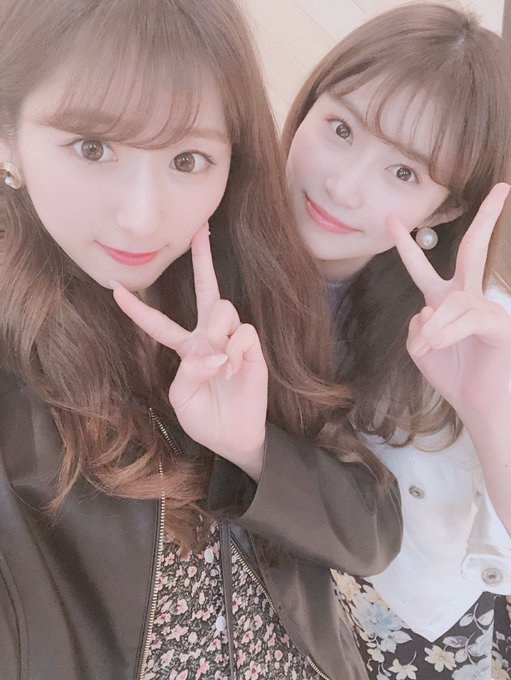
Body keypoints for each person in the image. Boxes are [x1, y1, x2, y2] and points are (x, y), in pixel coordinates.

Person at [0, 1, 403, 678]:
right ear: (7, 137)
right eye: (92, 148)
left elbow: (371, 537)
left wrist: (251, 450)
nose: (140, 218)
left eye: (187, 159)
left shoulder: (246, 291)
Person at [283, 3, 511, 679]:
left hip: (411, 621)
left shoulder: (473, 323)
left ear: (445, 207)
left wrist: (487, 411)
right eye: (341, 129)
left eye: (404, 172)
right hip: (277, 591)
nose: (343, 186)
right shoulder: (214, 236)